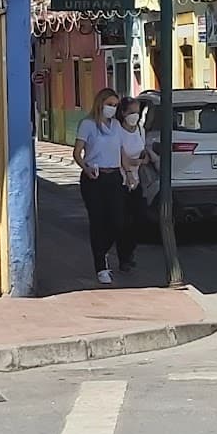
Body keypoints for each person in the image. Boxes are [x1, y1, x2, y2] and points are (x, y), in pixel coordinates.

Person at [73, 88, 126, 286]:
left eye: (115, 106)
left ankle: (101, 251)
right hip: (94, 178)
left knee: (118, 221)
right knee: (97, 221)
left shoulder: (117, 126)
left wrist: (129, 172)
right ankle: (101, 267)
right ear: (100, 103)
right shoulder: (88, 125)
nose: (112, 108)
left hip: (114, 177)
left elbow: (121, 152)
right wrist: (85, 168)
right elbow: (77, 153)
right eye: (110, 104)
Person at [117, 96, 146, 271]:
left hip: (137, 180)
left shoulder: (140, 130)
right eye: (131, 112)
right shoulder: (117, 132)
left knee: (139, 218)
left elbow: (142, 153)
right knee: (123, 221)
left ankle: (130, 251)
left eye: (137, 112)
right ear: (123, 113)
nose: (134, 116)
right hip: (121, 180)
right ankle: (124, 257)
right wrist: (130, 169)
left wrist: (142, 160)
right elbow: (121, 156)